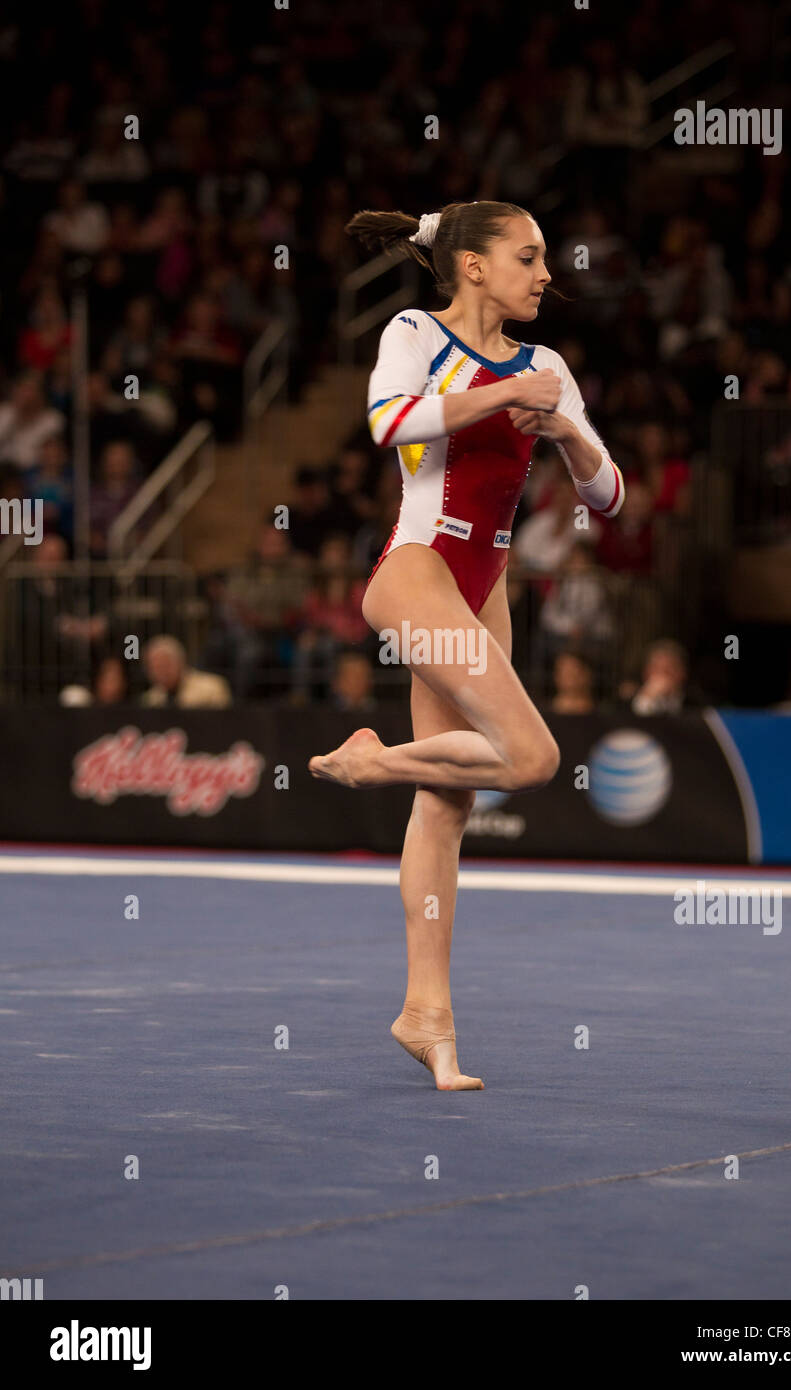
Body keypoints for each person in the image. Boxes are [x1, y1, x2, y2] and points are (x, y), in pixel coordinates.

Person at [309, 200, 624, 1090]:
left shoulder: (548, 365)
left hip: (488, 585)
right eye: (527, 257)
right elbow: (387, 422)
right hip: (417, 567)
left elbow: (611, 498)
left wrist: (563, 429)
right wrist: (499, 395)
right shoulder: (415, 328)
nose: (544, 274)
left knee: (448, 805)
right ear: (475, 266)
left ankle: (428, 1017)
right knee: (529, 757)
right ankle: (375, 763)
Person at [140, 635, 231, 707]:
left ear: (181, 662)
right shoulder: (151, 700)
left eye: (165, 665)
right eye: (155, 668)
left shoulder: (211, 688)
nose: (161, 672)